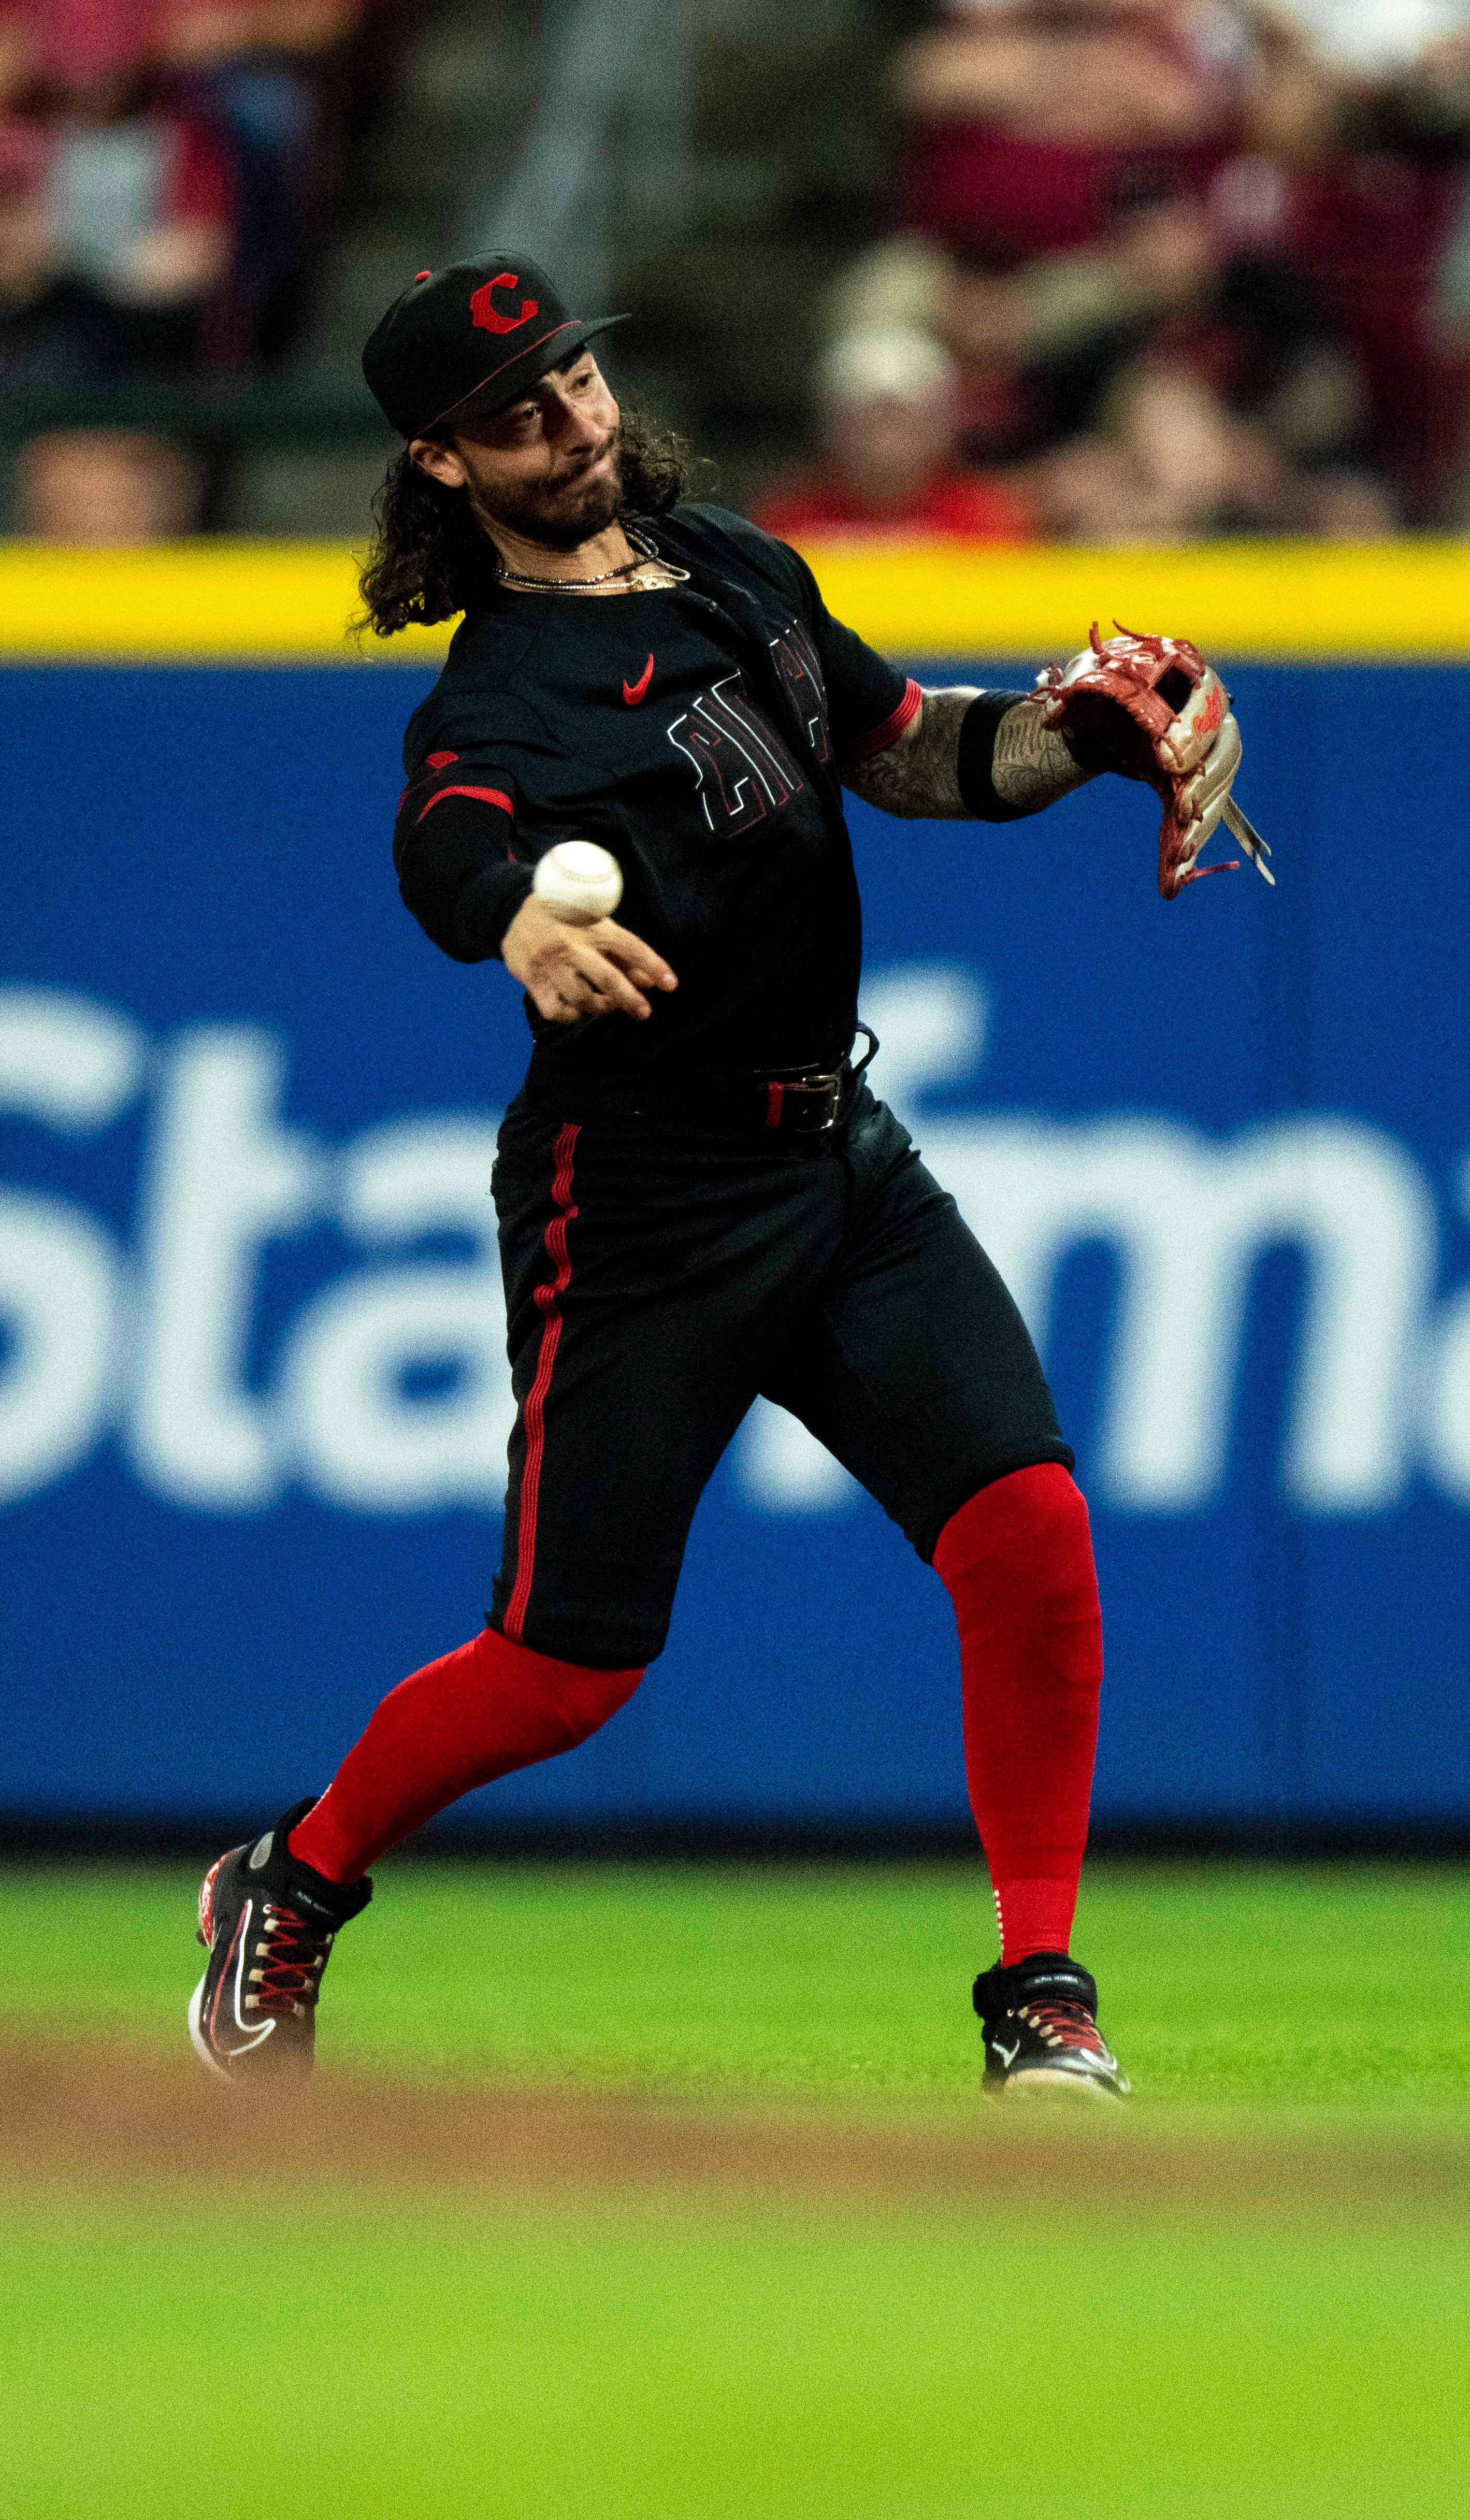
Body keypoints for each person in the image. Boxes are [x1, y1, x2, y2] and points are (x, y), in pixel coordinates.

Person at [188, 253, 1251, 2105]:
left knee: (1029, 1535)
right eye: (518, 414)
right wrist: (516, 912)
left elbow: (914, 754)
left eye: (578, 381)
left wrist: (1077, 734)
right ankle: (294, 1875)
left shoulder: (741, 565)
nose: (573, 422)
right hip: (640, 1192)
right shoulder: (498, 693)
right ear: (442, 464)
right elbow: (443, 839)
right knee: (563, 1667)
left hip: (834, 1152)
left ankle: (1039, 1993)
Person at [752, 328, 1029, 543]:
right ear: (832, 426)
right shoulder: (785, 523)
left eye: (904, 419)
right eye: (868, 417)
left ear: (941, 425)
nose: (886, 441)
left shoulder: (989, 521)